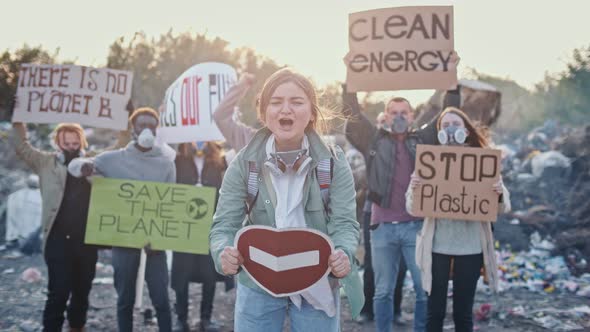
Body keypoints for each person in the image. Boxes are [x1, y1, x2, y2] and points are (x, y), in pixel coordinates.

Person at [209, 68, 364, 331]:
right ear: (263, 112)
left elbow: (345, 224)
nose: (285, 110)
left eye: (296, 102)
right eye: (276, 102)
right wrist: (222, 253)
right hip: (257, 284)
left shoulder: (334, 163)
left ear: (312, 112)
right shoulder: (243, 163)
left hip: (317, 282)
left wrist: (344, 253)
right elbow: (223, 225)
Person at [11, 119, 129, 332]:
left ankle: (77, 326)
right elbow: (22, 148)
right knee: (58, 290)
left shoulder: (94, 163)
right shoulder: (45, 162)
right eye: (67, 144)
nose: (72, 148)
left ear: (82, 143)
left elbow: (118, 149)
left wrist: (125, 122)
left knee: (82, 289)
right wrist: (18, 121)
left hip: (87, 238)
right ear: (58, 143)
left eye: (76, 144)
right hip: (57, 239)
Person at [406, 107, 510, 332]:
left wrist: (499, 191)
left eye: (456, 124)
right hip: (437, 248)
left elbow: (503, 208)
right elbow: (412, 208)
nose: (451, 129)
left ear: (466, 130)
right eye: (445, 125)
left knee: (463, 314)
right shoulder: (429, 162)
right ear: (439, 131)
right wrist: (415, 188)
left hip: (470, 248)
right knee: (435, 313)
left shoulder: (483, 162)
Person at [71, 107, 175, 332]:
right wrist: (85, 167)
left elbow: (171, 204)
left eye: (151, 125)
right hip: (123, 241)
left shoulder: (166, 163)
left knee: (161, 299)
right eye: (141, 124)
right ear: (132, 129)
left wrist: (158, 239)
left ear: (157, 129)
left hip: (154, 244)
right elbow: (75, 166)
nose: (147, 129)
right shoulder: (112, 159)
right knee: (125, 300)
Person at [342, 84, 433, 332]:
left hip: (415, 227)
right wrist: (349, 83)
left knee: (424, 289)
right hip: (382, 227)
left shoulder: (421, 142)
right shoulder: (374, 141)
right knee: (382, 291)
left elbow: (444, 112)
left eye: (405, 112)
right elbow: (353, 114)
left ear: (412, 117)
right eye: (394, 112)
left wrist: (452, 83)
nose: (400, 117)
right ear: (386, 115)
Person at [171, 141, 233, 332]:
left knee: (209, 274)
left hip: (210, 226)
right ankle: (181, 319)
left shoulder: (220, 161)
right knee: (182, 272)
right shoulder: (177, 159)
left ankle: (205, 318)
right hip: (184, 227)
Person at [355, 112, 409, 326]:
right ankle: (368, 309)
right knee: (371, 263)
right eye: (380, 124)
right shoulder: (371, 149)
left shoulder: (405, 149)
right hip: (374, 213)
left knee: (401, 265)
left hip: (403, 214)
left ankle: (395, 309)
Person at [213, 73, 257, 151]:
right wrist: (242, 84)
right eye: (276, 102)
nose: (285, 110)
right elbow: (220, 116)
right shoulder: (252, 140)